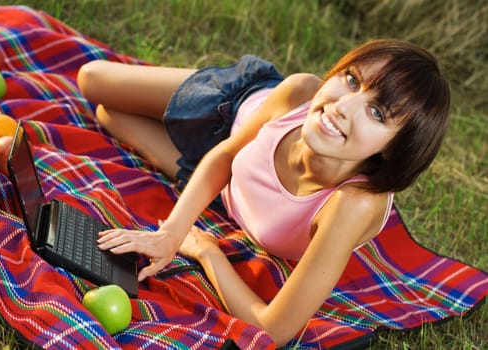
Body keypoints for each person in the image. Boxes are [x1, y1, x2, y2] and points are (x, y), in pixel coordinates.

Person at [76, 39, 450, 346]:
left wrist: (208, 252)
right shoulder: (300, 93)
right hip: (229, 109)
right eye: (352, 80)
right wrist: (170, 234)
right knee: (91, 80)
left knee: (112, 115)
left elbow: (273, 330)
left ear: (395, 148)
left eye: (378, 114)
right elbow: (226, 154)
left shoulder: (353, 203)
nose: (343, 106)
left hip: (212, 178)